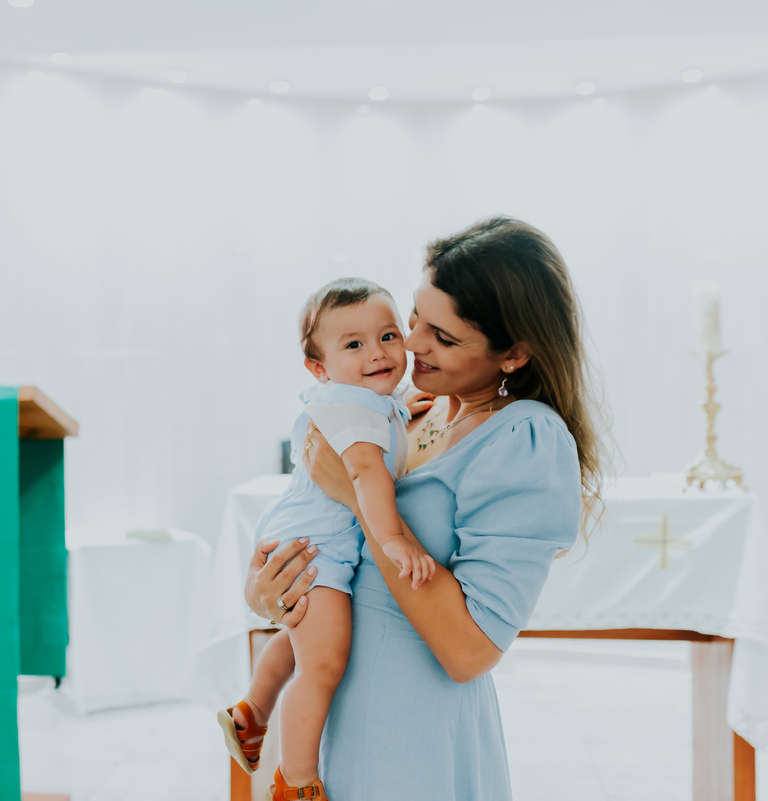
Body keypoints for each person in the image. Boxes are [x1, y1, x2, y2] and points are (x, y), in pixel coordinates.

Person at [244, 217, 605, 800]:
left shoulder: (525, 440)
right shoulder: (415, 411)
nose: (410, 344)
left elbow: (470, 651)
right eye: (414, 317)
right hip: (341, 712)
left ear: (513, 352)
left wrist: (357, 499)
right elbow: (336, 554)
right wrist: (271, 595)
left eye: (442, 335)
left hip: (412, 734)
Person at [219, 277, 438, 801]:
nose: (378, 354)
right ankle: (295, 782)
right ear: (319, 368)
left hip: (307, 535)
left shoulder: (364, 398)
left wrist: (409, 398)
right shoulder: (353, 409)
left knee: (300, 645)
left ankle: (251, 712)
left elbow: (384, 416)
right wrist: (395, 542)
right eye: (354, 345)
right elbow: (365, 476)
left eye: (388, 336)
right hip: (317, 548)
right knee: (323, 663)